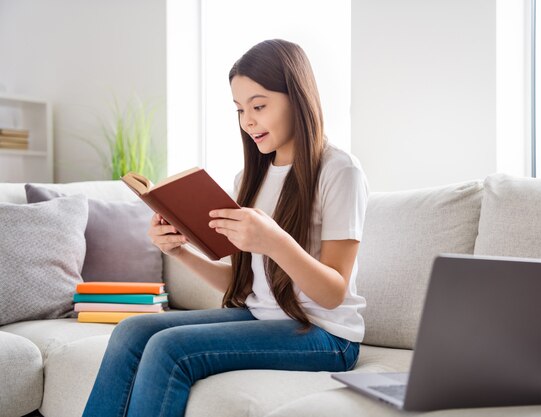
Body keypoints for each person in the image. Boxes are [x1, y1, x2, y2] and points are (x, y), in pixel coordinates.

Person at [82, 39, 369, 417]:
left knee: (169, 349)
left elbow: (333, 293)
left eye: (259, 106)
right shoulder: (250, 177)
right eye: (239, 110)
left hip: (327, 335)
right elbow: (242, 284)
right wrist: (179, 251)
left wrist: (274, 241)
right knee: (131, 332)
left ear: (296, 97)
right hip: (262, 317)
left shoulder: (339, 171)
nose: (247, 121)